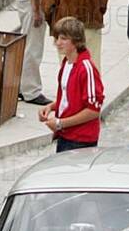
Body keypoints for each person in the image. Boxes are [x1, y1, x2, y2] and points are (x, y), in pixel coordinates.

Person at [40, 17, 104, 152]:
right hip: (66, 134)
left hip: (81, 139)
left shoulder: (86, 68)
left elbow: (93, 110)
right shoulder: (67, 63)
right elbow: (69, 98)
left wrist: (60, 123)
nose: (58, 43)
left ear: (76, 41)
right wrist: (51, 107)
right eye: (57, 38)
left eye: (63, 38)